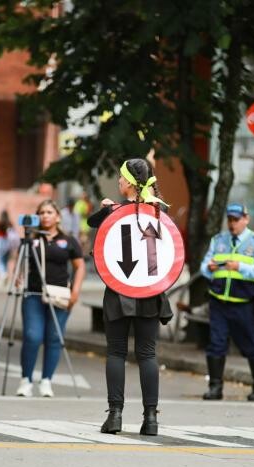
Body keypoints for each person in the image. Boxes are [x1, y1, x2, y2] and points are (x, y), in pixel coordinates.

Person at [88, 158, 173, 436]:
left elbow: (91, 223)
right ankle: (151, 419)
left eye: (121, 178)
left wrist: (107, 208)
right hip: (150, 290)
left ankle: (115, 416)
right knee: (147, 354)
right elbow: (171, 251)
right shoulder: (160, 211)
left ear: (129, 183)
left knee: (116, 352)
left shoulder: (114, 212)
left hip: (119, 289)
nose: (118, 182)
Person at [15, 199, 86, 398]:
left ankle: (46, 380)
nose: (45, 215)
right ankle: (26, 380)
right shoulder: (31, 239)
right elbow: (20, 262)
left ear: (57, 216)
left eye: (49, 212)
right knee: (32, 336)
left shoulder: (68, 240)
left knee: (54, 337)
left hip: (60, 296)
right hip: (34, 294)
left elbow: (79, 266)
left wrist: (76, 291)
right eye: (42, 212)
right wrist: (18, 275)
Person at [200, 203, 254, 401]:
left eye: (236, 220)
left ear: (246, 219)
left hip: (244, 303)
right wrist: (209, 268)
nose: (232, 224)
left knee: (251, 345)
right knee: (216, 344)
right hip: (219, 301)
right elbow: (204, 265)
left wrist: (239, 267)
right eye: (230, 220)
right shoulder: (218, 240)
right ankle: (215, 387)